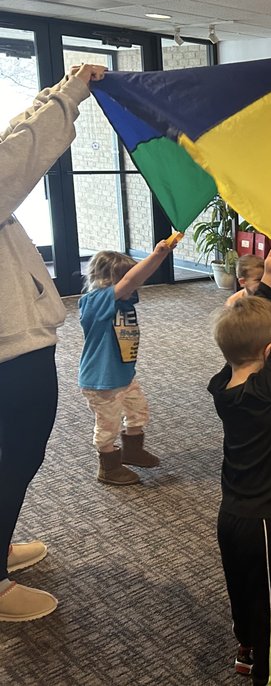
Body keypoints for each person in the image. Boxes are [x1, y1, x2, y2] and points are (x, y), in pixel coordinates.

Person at [0, 63, 105, 622]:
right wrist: (69, 95)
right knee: (11, 457)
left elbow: (12, 143)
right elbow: (17, 159)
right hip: (7, 352)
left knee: (16, 454)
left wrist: (53, 95)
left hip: (14, 342)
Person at [209, 244, 271, 686]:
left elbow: (261, 339)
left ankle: (247, 651)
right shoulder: (268, 389)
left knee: (244, 590)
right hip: (267, 521)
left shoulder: (224, 383)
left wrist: (268, 282)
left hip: (233, 516)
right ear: (269, 355)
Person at [78, 243, 177, 485]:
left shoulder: (124, 302)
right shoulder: (95, 302)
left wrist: (158, 259)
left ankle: (132, 450)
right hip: (102, 380)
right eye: (128, 282)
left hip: (123, 374)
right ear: (108, 280)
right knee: (107, 425)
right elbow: (131, 280)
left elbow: (134, 280)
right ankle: (108, 467)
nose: (135, 287)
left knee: (138, 411)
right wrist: (158, 254)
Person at [227, 247, 271, 422]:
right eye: (259, 279)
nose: (264, 281)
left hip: (267, 344)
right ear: (243, 281)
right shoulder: (234, 303)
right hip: (245, 348)